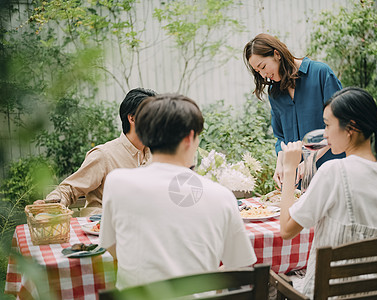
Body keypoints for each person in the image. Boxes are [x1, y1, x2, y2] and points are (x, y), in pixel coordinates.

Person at [99, 94, 257, 290]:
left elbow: (110, 244)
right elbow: (239, 266)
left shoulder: (117, 183)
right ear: (190, 137)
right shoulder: (222, 196)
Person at [278, 87, 377, 298]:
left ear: (350, 128)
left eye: (327, 125)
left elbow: (286, 230)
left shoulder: (334, 172)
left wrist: (290, 168)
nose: (325, 134)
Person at [243, 33, 345, 188]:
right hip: (299, 183)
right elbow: (281, 137)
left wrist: (311, 158)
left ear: (276, 54)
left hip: (332, 175)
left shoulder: (321, 73)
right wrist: (280, 163)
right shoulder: (274, 92)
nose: (263, 75)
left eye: (263, 67)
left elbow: (340, 124)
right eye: (258, 71)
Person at [34, 88, 156, 216]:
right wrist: (50, 205)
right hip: (102, 229)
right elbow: (69, 189)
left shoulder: (156, 155)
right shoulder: (104, 155)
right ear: (132, 118)